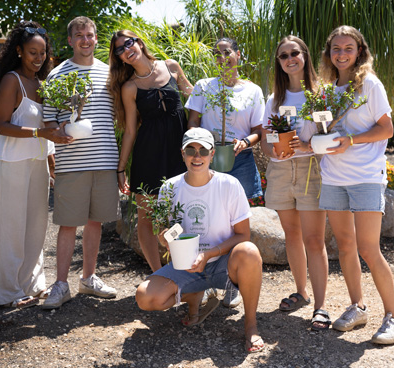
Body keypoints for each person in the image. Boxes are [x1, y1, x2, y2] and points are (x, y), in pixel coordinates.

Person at [136, 127, 264, 353]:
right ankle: (194, 295)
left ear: (212, 154)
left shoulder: (229, 185)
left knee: (249, 251)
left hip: (223, 264)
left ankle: (250, 325)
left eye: (203, 150)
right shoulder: (170, 187)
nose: (197, 156)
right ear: (182, 154)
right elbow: (162, 227)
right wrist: (164, 237)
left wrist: (210, 254)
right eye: (191, 150)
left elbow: (243, 234)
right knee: (145, 297)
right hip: (186, 265)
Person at [319, 25, 394, 344]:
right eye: (336, 49)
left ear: (359, 52)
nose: (341, 54)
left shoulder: (370, 84)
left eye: (348, 48)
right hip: (333, 177)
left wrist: (351, 140)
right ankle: (358, 307)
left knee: (368, 248)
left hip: (366, 176)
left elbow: (387, 128)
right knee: (344, 246)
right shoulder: (327, 89)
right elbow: (325, 129)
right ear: (329, 53)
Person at [42, 16, 119, 309]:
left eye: (90, 35)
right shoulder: (58, 74)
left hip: (104, 158)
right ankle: (61, 285)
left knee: (95, 220)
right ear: (70, 40)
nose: (85, 40)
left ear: (96, 39)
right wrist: (59, 131)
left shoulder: (110, 73)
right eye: (79, 35)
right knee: (67, 223)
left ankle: (88, 278)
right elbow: (49, 118)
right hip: (71, 160)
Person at [0, 21, 63, 308]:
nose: (38, 58)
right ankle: (7, 293)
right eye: (32, 52)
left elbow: (47, 126)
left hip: (37, 163)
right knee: (11, 227)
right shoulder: (12, 80)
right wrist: (39, 134)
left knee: (36, 226)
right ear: (19, 51)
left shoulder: (41, 83)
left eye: (42, 53)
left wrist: (51, 157)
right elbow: (1, 125)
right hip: (10, 163)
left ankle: (32, 284)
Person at [186, 37, 265, 308]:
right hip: (206, 158)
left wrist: (246, 142)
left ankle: (232, 282)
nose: (222, 57)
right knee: (207, 216)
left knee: (236, 223)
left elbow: (258, 130)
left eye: (227, 52)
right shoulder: (204, 87)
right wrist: (201, 145)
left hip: (239, 160)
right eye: (217, 54)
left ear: (238, 55)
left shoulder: (253, 91)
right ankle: (205, 280)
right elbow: (193, 121)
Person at [108, 30, 193, 272]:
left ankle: (185, 270)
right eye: (120, 49)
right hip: (149, 156)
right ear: (120, 59)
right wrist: (121, 168)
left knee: (182, 214)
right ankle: (158, 274)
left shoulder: (171, 67)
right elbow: (131, 131)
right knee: (146, 220)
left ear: (140, 42)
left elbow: (195, 98)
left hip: (180, 155)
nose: (126, 49)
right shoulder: (129, 88)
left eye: (129, 43)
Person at [260, 36, 329, 330]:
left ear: (305, 56)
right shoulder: (274, 99)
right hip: (280, 170)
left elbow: (330, 137)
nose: (290, 58)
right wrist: (272, 150)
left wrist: (308, 144)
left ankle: (321, 306)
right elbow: (264, 141)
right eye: (283, 55)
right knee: (291, 234)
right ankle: (301, 292)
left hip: (311, 169)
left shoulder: (320, 94)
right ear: (279, 62)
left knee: (314, 239)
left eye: (294, 53)